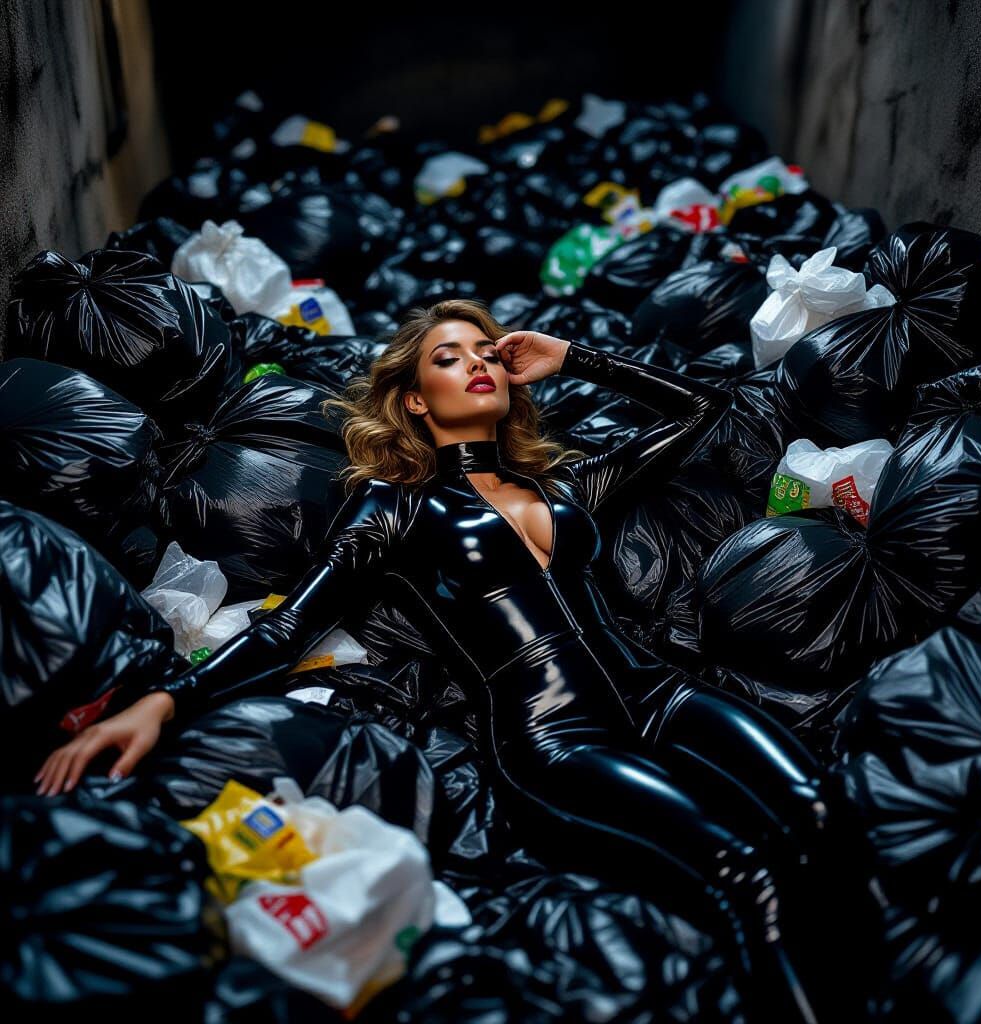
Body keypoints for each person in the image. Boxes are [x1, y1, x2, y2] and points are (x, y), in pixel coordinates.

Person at [36, 298, 863, 1023]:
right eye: (448, 357)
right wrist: (167, 701)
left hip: (660, 697)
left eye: (485, 350)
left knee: (823, 814)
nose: (476, 363)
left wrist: (573, 357)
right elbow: (288, 629)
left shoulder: (565, 490)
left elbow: (707, 411)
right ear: (412, 400)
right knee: (746, 874)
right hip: (558, 741)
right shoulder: (394, 508)